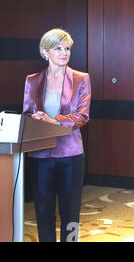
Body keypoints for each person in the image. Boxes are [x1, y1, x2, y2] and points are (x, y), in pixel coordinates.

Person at [23, 28, 91, 242]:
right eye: (58, 48)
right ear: (46, 52)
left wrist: (54, 120)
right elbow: (27, 114)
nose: (64, 52)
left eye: (67, 48)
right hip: (40, 155)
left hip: (70, 155)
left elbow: (82, 116)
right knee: (43, 210)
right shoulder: (32, 80)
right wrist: (37, 118)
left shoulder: (81, 79)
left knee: (70, 212)